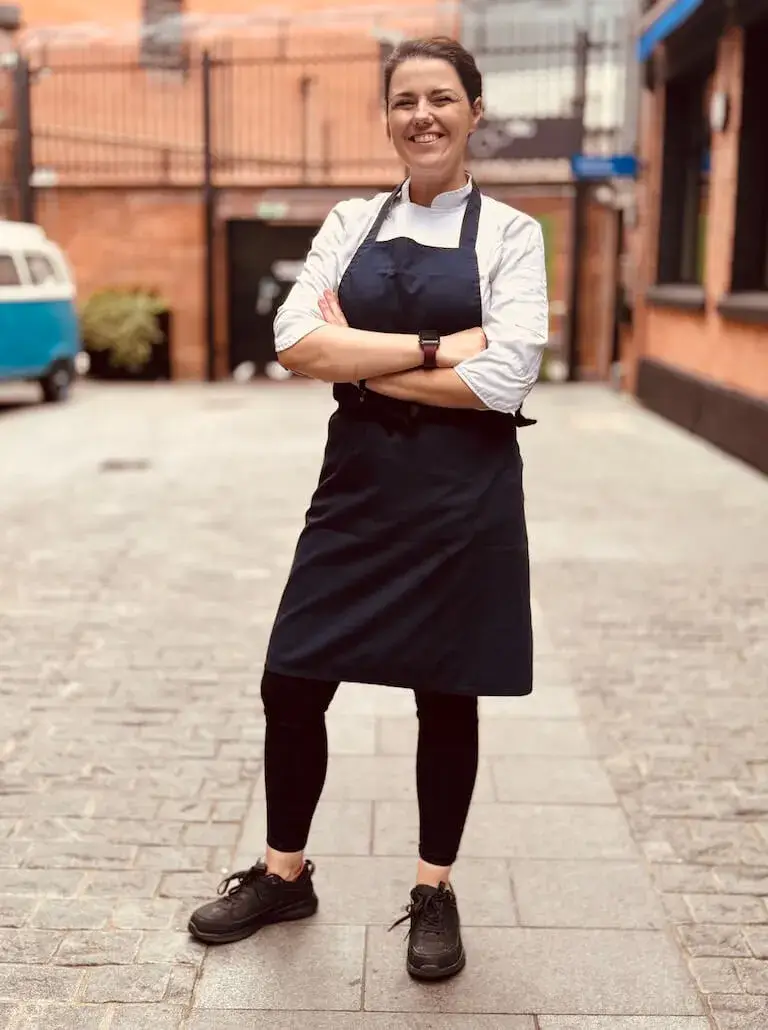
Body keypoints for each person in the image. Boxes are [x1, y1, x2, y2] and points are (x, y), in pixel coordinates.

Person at [188, 35, 549, 982]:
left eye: (440, 98)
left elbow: (507, 377)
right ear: (387, 118)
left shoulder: (513, 233)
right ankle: (284, 873)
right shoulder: (350, 219)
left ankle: (434, 889)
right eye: (403, 102)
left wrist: (373, 356)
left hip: (462, 499)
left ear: (475, 111)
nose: (421, 116)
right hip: (355, 493)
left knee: (448, 692)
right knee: (292, 677)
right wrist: (436, 349)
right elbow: (296, 343)